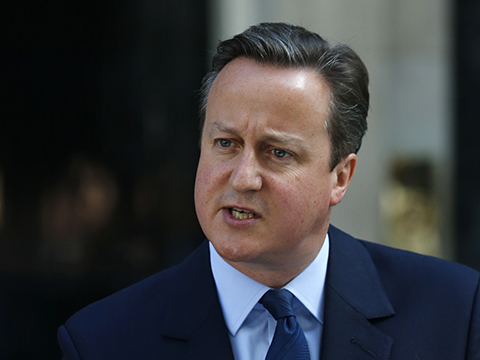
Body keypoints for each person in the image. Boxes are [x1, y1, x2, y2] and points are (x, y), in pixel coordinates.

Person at [58, 22, 480, 360]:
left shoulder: (454, 313)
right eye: (225, 144)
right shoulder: (102, 341)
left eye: (277, 152)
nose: (242, 178)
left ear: (340, 177)